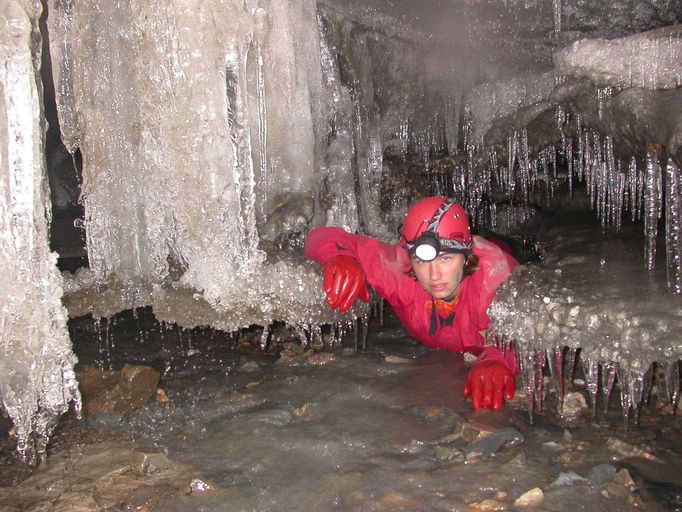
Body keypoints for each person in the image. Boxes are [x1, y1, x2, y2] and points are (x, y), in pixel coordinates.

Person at [305, 196, 519, 410]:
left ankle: (504, 241)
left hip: (504, 254)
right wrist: (338, 256)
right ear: (410, 259)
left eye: (445, 259)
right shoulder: (400, 272)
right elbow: (320, 236)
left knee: (507, 250)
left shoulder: (495, 277)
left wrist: (497, 359)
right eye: (422, 261)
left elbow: (529, 327)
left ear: (465, 256)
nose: (434, 275)